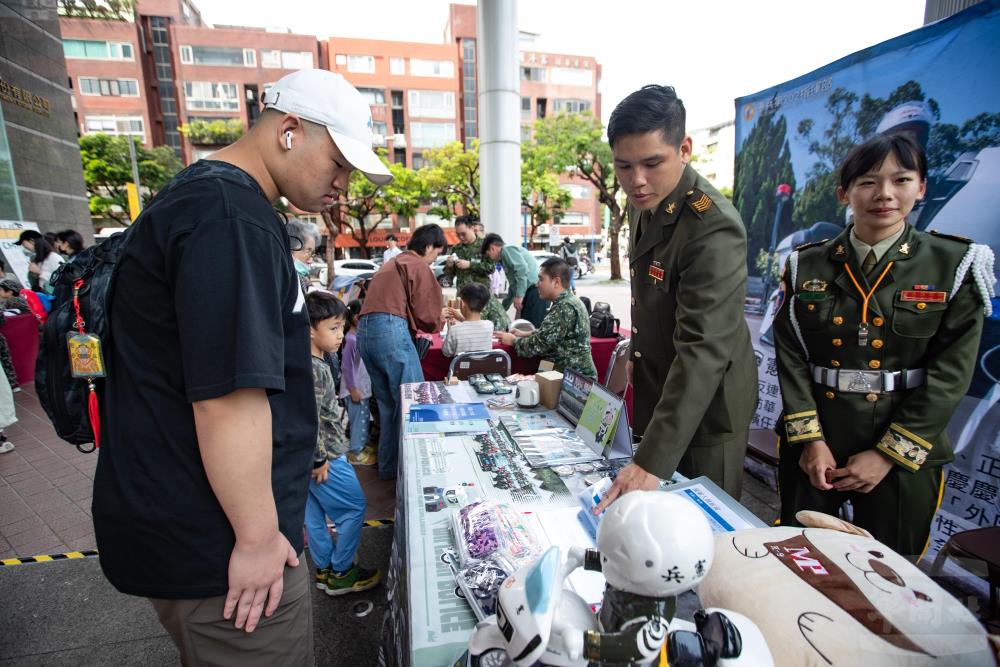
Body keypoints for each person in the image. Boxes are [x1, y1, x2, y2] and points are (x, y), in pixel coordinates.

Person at [94, 68, 392, 665]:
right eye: (337, 162)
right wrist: (257, 538)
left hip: (198, 525)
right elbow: (228, 396)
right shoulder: (230, 218)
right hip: (222, 542)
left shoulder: (209, 200)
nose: (343, 183)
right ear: (289, 131)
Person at [773, 134, 993, 556]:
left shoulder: (956, 264)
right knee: (804, 558)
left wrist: (886, 456)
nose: (886, 195)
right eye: (869, 182)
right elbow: (791, 355)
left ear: (922, 188)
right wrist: (809, 441)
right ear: (845, 192)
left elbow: (950, 376)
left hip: (903, 453)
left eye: (902, 180)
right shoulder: (806, 264)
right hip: (818, 447)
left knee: (892, 572)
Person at [595, 85, 757, 512]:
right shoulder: (643, 202)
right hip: (661, 389)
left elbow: (704, 349)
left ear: (684, 148)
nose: (637, 180)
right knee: (657, 524)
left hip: (707, 409)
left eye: (652, 163)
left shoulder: (711, 225)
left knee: (704, 529)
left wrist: (651, 461)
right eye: (624, 166)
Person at [303, 291, 381, 595]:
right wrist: (319, 459)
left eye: (341, 327)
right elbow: (310, 418)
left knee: (313, 513)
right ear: (310, 330)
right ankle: (341, 572)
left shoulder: (306, 362)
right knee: (352, 509)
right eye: (333, 328)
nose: (340, 335)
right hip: (326, 457)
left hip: (309, 459)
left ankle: (324, 568)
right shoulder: (315, 368)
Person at [358, 223, 444, 480]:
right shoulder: (417, 264)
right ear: (428, 247)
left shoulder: (392, 263)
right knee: (413, 403)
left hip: (366, 331)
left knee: (388, 408)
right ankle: (415, 475)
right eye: (436, 254)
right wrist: (441, 321)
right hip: (390, 330)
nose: (434, 259)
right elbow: (428, 315)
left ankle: (389, 472)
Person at [496, 258, 596, 379]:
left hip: (572, 384)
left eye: (541, 279)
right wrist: (527, 333)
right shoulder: (568, 301)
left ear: (556, 282)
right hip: (568, 377)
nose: (537, 284)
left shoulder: (564, 307)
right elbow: (553, 334)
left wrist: (512, 341)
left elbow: (538, 345)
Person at [444, 216, 510, 330]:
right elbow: (449, 277)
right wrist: (449, 266)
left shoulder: (483, 246)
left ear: (472, 228)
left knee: (482, 325)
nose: (461, 237)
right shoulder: (456, 249)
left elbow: (491, 268)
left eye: (463, 233)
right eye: (458, 234)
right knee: (464, 325)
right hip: (463, 295)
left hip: (481, 295)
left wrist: (470, 265)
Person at [481, 233, 549, 328]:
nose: (489, 258)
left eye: (488, 254)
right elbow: (513, 287)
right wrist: (502, 308)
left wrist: (519, 296)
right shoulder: (504, 258)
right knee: (524, 327)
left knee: (532, 329)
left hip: (534, 292)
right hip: (529, 293)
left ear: (492, 248)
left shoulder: (507, 250)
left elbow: (522, 270)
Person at [342, 299, 375, 466]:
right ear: (356, 318)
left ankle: (359, 447)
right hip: (354, 391)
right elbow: (347, 367)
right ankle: (356, 452)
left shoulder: (355, 337)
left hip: (360, 389)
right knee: (359, 422)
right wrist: (353, 389)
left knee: (361, 420)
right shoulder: (351, 340)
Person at [442, 283, 495, 357]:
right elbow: (472, 327)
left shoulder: (455, 330)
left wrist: (450, 330)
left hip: (460, 368)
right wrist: (462, 319)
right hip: (484, 368)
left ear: (462, 304)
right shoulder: (489, 325)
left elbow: (447, 353)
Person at [287, 218, 318, 292]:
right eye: (308, 251)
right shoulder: (284, 283)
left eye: (312, 253)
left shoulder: (303, 281)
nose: (311, 260)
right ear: (289, 249)